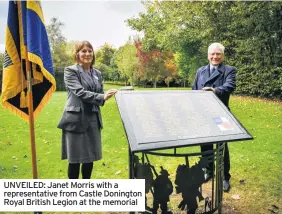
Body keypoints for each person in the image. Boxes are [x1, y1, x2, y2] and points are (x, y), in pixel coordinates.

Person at [57, 41, 117, 179]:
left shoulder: (97, 73)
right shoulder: (70, 71)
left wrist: (105, 95)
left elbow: (100, 92)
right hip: (75, 120)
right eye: (83, 51)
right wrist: (102, 96)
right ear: (77, 54)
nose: (87, 54)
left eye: (90, 50)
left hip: (93, 119)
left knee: (89, 158)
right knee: (75, 160)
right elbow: (80, 92)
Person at [192, 42, 236, 192]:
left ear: (223, 56)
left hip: (221, 114)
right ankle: (208, 171)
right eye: (212, 54)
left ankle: (224, 177)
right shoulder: (200, 71)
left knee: (222, 146)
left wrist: (215, 90)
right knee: (205, 145)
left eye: (218, 54)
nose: (215, 57)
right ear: (208, 55)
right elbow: (193, 90)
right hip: (203, 114)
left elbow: (229, 87)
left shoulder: (229, 71)